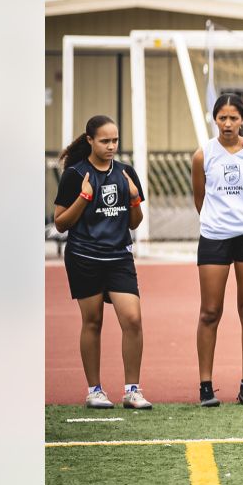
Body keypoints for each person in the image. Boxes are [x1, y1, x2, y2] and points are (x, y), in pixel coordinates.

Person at [54, 115, 152, 410]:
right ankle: (94, 390)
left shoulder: (125, 172)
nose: (111, 146)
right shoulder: (75, 174)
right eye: (105, 141)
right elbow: (60, 224)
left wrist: (134, 198)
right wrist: (84, 198)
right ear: (90, 141)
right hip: (84, 257)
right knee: (93, 321)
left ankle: (132, 391)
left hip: (119, 257)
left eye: (115, 141)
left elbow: (135, 222)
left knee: (133, 320)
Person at [191, 94, 243, 406]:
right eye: (221, 118)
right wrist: (219, 220)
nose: (227, 124)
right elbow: (200, 199)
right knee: (210, 311)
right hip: (214, 236)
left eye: (233, 118)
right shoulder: (203, 155)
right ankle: (205, 386)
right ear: (215, 120)